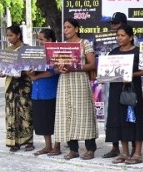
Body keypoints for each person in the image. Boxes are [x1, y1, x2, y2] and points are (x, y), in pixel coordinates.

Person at [105, 25, 143, 165]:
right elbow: (107, 71)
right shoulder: (113, 53)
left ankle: (137, 153)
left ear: (130, 37)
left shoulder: (138, 52)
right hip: (116, 90)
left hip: (132, 89)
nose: (119, 38)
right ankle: (124, 152)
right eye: (117, 35)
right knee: (120, 119)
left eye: (122, 35)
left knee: (135, 119)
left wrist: (131, 75)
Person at [55, 18, 99, 160]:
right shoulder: (62, 45)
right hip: (64, 82)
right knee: (66, 114)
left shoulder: (84, 43)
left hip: (79, 81)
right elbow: (55, 65)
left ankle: (90, 149)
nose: (65, 30)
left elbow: (92, 64)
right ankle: (73, 149)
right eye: (64, 27)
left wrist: (74, 68)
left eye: (68, 27)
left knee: (84, 114)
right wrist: (59, 67)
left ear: (76, 29)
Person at [102, 11, 131, 159]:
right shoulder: (105, 41)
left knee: (128, 115)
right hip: (110, 85)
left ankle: (130, 147)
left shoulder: (133, 41)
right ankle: (115, 146)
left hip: (127, 85)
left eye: (115, 24)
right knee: (111, 115)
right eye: (111, 24)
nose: (112, 27)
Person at [1, 24, 34, 151]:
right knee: (11, 112)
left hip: (24, 85)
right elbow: (3, 69)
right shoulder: (7, 51)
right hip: (10, 86)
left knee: (25, 112)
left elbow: (32, 68)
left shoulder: (27, 50)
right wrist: (3, 72)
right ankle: (14, 142)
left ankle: (28, 141)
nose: (9, 38)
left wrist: (21, 71)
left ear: (18, 35)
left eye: (11, 35)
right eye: (7, 36)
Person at [29, 29, 60, 156]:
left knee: (54, 119)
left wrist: (37, 77)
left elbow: (54, 71)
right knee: (42, 120)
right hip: (37, 92)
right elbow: (28, 69)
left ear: (50, 40)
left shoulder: (55, 54)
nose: (39, 42)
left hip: (50, 91)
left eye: (42, 39)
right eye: (39, 39)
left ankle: (57, 146)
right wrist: (30, 73)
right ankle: (48, 146)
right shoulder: (36, 54)